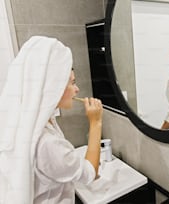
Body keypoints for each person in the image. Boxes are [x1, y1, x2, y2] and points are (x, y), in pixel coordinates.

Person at [0, 36, 103, 204]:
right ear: (52, 87)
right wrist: (96, 122)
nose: (77, 89)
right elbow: (90, 173)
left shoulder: (30, 122)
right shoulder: (46, 143)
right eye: (72, 83)